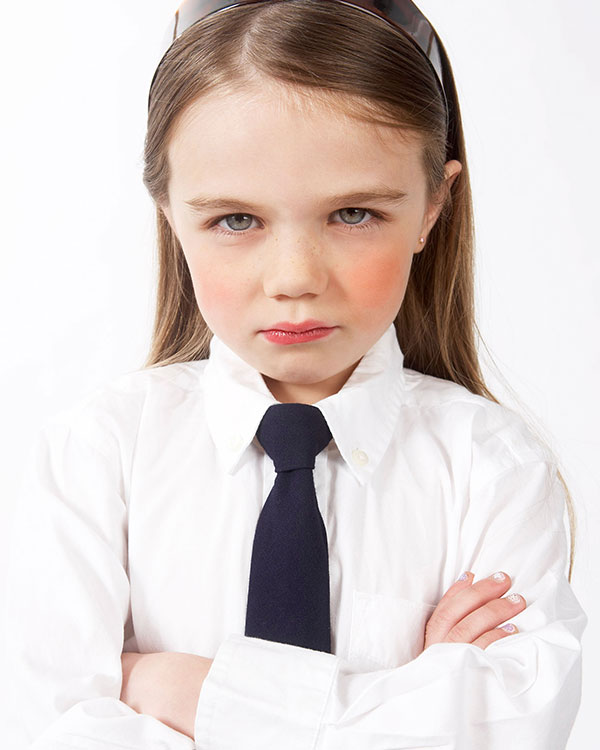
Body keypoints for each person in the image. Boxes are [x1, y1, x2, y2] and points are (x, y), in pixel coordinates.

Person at [3, 0, 587, 747]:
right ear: (169, 213)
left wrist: (182, 689)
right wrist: (414, 698)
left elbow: (509, 731)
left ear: (434, 205)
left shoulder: (492, 467)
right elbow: (47, 727)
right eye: (236, 220)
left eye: (352, 214)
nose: (294, 278)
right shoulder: (98, 455)